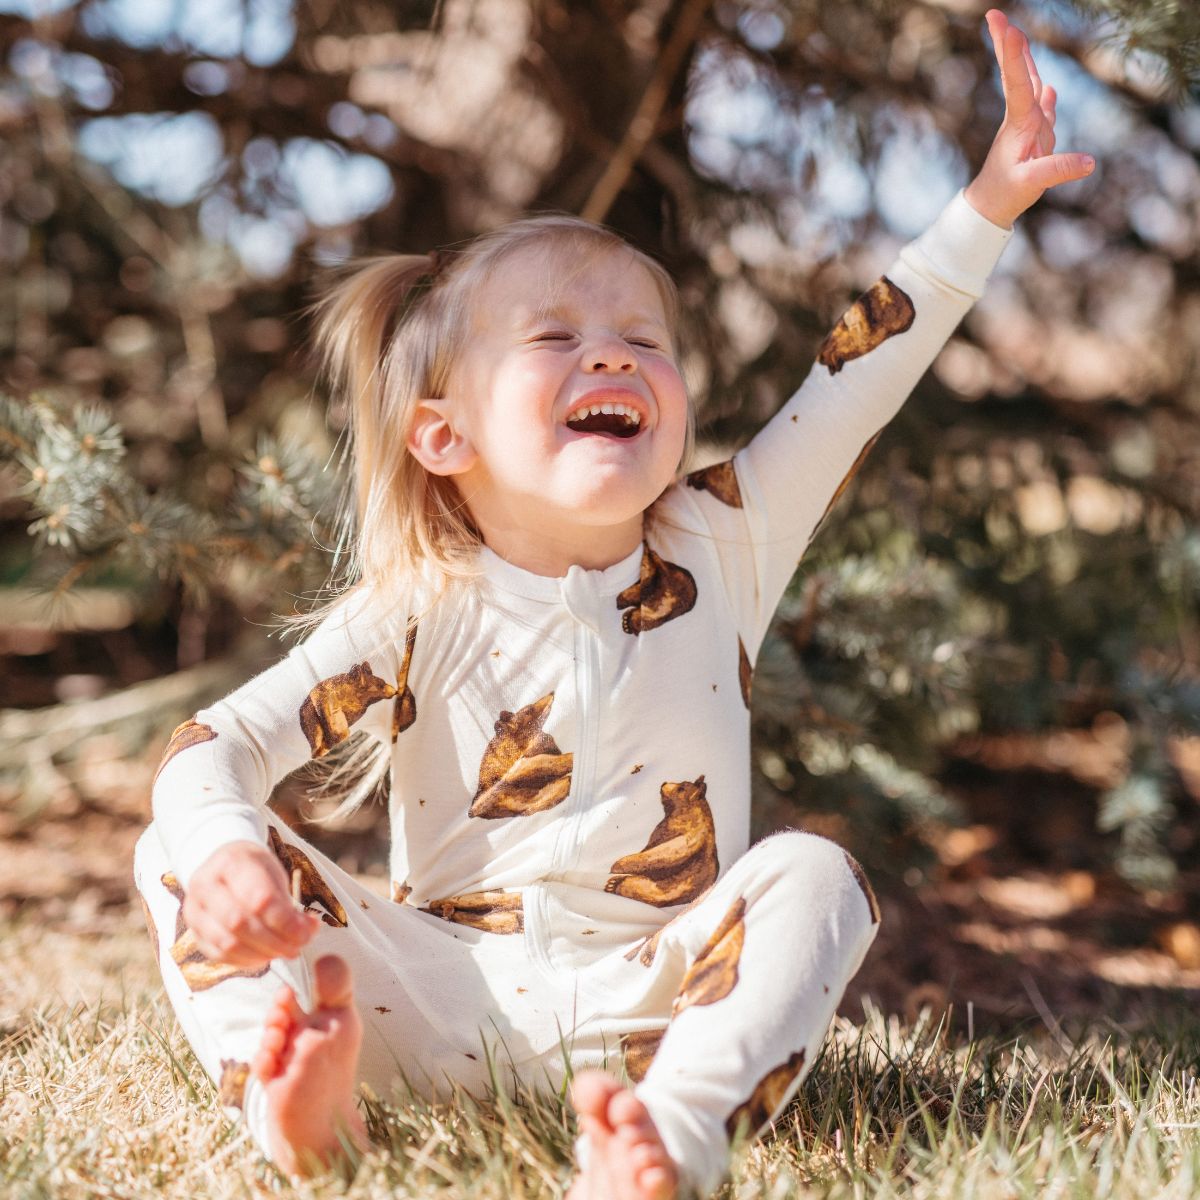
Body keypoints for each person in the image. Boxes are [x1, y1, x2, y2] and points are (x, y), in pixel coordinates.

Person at [133, 9, 1093, 1198]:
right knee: (176, 847)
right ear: (443, 436)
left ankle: (668, 1141)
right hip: (432, 1007)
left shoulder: (726, 544)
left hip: (656, 1015)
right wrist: (229, 856)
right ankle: (290, 1095)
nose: (614, 356)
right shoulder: (417, 608)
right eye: (556, 337)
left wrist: (987, 205)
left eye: (645, 337)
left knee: (818, 877)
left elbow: (855, 380)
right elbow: (212, 743)